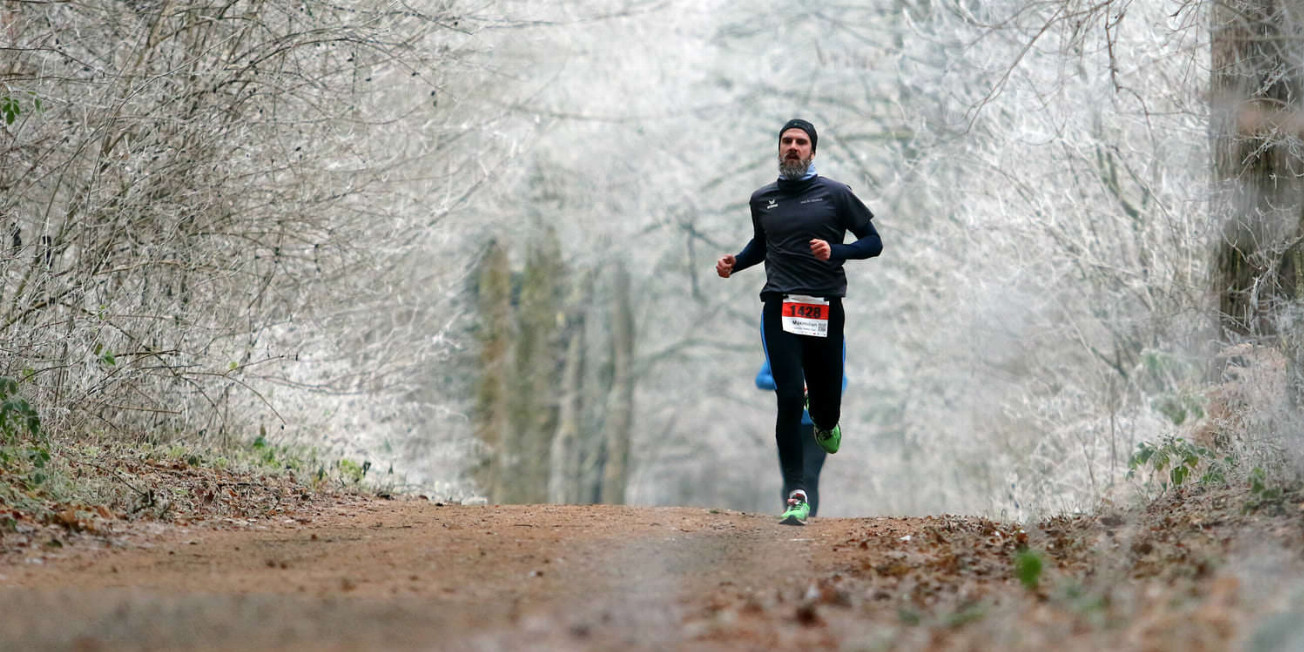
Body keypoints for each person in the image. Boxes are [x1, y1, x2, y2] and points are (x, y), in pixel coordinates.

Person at [717, 118, 882, 525]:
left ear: (813, 150)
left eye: (801, 142)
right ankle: (796, 494)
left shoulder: (836, 194)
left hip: (825, 305)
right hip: (779, 304)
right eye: (787, 141)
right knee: (789, 397)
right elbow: (761, 244)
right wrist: (736, 263)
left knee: (824, 408)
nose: (793, 147)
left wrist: (837, 252)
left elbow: (873, 242)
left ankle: (827, 421)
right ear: (779, 149)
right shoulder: (762, 199)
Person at [755, 356, 847, 518]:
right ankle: (792, 515)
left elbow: (842, 381)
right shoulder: (784, 349)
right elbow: (761, 380)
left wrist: (820, 391)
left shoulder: (819, 349)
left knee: (810, 475)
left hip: (818, 428)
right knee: (791, 475)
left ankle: (810, 517)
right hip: (791, 425)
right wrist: (790, 382)